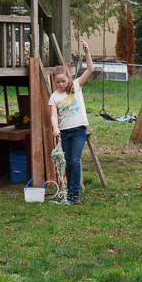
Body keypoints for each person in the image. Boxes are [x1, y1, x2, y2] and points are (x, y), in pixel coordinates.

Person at [48, 40, 94, 205]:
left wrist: (87, 52)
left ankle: (74, 194)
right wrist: (55, 129)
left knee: (74, 160)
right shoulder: (54, 97)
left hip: (78, 130)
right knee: (68, 162)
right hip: (65, 132)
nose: (61, 84)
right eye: (57, 82)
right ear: (54, 81)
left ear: (68, 78)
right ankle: (69, 193)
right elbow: (54, 116)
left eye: (63, 81)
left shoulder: (76, 86)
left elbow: (90, 70)